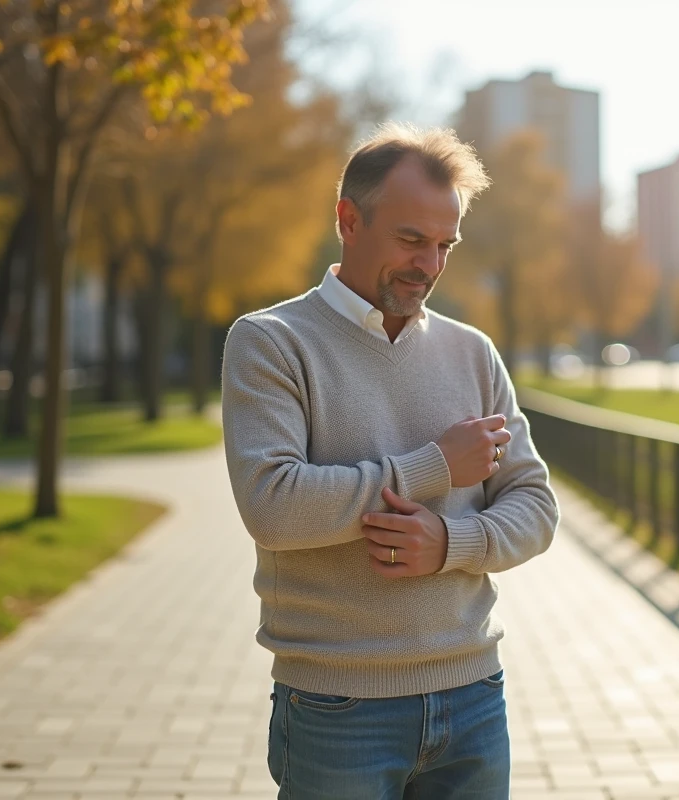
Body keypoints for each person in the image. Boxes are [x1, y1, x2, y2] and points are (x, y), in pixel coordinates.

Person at [221, 122, 559, 799]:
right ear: (349, 220)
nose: (430, 265)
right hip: (337, 709)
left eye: (445, 245)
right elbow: (274, 507)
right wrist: (434, 465)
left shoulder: (473, 354)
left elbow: (536, 506)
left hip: (474, 699)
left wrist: (449, 543)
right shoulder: (271, 342)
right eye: (411, 240)